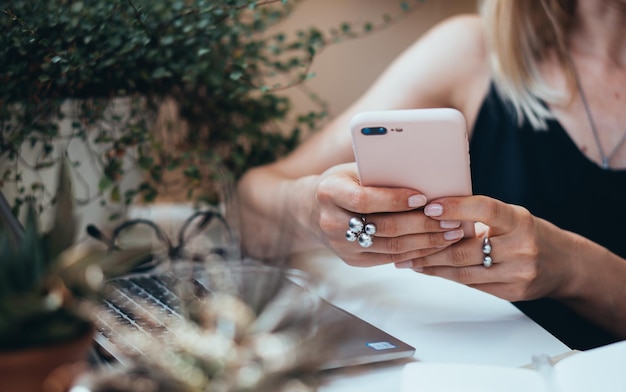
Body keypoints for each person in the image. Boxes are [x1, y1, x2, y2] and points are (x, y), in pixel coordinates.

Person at [236, 0, 626, 351]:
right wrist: (312, 209)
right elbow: (250, 215)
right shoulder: (471, 52)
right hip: (478, 381)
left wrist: (573, 269)